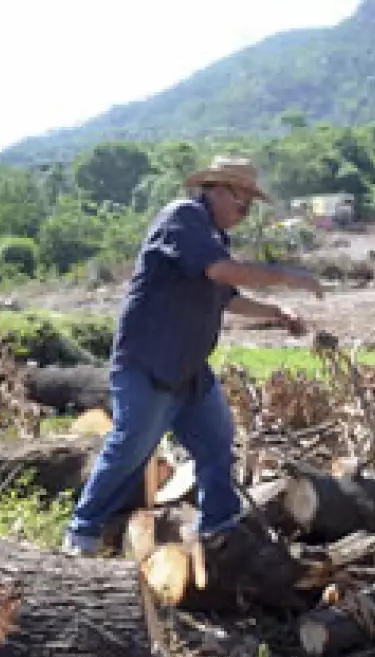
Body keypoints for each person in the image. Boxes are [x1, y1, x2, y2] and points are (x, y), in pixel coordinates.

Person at [62, 157, 323, 557]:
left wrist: (276, 314)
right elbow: (223, 273)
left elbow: (227, 297)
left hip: (188, 370)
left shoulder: (214, 238)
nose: (245, 211)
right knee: (131, 448)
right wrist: (288, 276)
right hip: (149, 363)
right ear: (219, 190)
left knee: (217, 444)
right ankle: (82, 533)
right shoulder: (183, 217)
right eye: (243, 201)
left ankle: (219, 529)